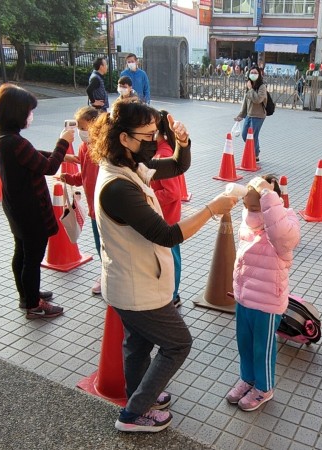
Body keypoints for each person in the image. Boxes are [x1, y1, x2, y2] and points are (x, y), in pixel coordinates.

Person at [89, 101, 238, 432]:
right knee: (179, 343)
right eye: (149, 134)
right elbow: (167, 234)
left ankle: (141, 396)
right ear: (125, 138)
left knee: (138, 345)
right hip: (137, 286)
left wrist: (183, 142)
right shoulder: (118, 186)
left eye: (156, 132)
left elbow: (176, 166)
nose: (155, 140)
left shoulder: (127, 166)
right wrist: (212, 209)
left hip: (131, 282)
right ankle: (133, 414)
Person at [0, 84, 73, 318]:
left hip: (15, 205)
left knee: (22, 253)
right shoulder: (15, 142)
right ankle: (34, 306)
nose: (31, 116)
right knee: (32, 258)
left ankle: (27, 295)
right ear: (17, 112)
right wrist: (63, 141)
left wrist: (63, 152)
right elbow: (48, 167)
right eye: (29, 111)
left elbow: (31, 156)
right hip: (30, 208)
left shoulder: (0, 134)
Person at [227, 175, 301, 411]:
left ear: (271, 202)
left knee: (263, 348)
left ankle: (264, 387)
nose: (250, 212)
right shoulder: (248, 222)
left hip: (267, 301)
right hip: (245, 296)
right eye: (248, 207)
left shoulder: (286, 220)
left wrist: (267, 196)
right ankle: (248, 379)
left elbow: (282, 237)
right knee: (245, 343)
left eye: (256, 207)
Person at [57, 106, 103, 294]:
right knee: (99, 244)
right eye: (80, 128)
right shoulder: (85, 147)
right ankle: (104, 273)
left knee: (110, 244)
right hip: (93, 208)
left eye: (85, 128)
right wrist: (69, 178)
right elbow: (84, 175)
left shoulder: (105, 148)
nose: (82, 133)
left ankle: (112, 275)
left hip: (107, 208)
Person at [150, 110, 184, 307]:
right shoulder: (161, 150)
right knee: (169, 257)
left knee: (171, 258)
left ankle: (173, 295)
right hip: (164, 216)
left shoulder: (163, 153)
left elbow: (172, 192)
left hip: (167, 218)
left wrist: (147, 198)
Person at [234, 66, 268, 162]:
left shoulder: (262, 87)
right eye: (251, 72)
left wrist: (250, 89)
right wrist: (241, 115)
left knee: (253, 136)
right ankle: (256, 150)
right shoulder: (249, 86)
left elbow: (257, 100)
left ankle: (255, 154)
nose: (253, 74)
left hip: (258, 115)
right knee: (245, 135)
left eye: (255, 72)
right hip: (249, 114)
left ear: (259, 74)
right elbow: (246, 101)